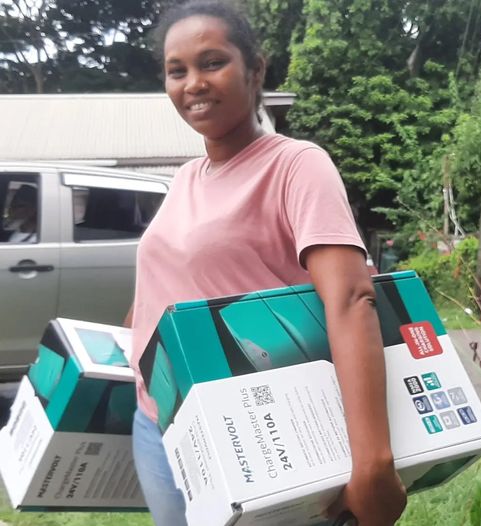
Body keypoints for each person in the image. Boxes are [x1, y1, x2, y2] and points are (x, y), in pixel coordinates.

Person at [127, 1, 407, 525]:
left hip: (253, 427)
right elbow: (164, 282)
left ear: (255, 70)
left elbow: (351, 299)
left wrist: (372, 463)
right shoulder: (186, 177)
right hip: (159, 419)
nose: (193, 83)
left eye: (213, 63)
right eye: (176, 70)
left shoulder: (295, 165)